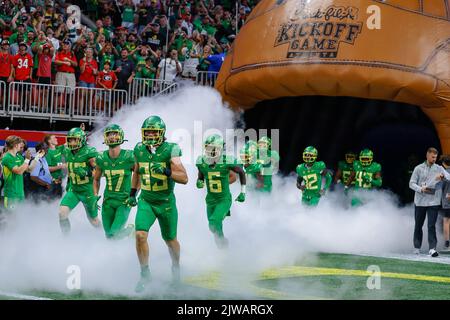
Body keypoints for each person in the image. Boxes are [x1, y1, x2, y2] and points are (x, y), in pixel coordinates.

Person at [126, 115, 188, 293]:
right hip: (146, 200)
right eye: (148, 131)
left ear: (162, 133)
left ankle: (176, 269)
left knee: (170, 240)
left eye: (154, 131)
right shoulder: (139, 148)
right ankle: (145, 273)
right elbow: (137, 172)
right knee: (140, 235)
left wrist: (167, 171)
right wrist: (132, 193)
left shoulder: (171, 149)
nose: (151, 134)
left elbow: (184, 178)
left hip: (166, 202)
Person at [196, 134, 246, 248]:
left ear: (220, 149)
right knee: (213, 227)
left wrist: (243, 192)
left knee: (214, 222)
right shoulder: (201, 161)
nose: (211, 151)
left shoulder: (226, 161)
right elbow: (201, 175)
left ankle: (224, 247)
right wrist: (199, 181)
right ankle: (223, 249)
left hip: (223, 199)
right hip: (210, 200)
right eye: (209, 148)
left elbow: (241, 172)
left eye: (214, 148)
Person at [93, 124, 135, 239]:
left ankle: (131, 230)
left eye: (115, 134)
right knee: (108, 236)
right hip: (108, 201)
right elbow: (96, 179)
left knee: (113, 234)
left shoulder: (130, 156)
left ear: (121, 136)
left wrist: (133, 194)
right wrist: (95, 195)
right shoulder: (101, 157)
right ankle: (117, 255)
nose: (112, 137)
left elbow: (138, 176)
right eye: (109, 134)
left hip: (124, 201)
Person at [58, 127, 100, 235]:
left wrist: (87, 173)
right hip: (74, 190)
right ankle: (66, 238)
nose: (72, 142)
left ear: (81, 140)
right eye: (70, 139)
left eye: (75, 139)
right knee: (62, 213)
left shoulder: (89, 152)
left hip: (87, 191)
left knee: (94, 221)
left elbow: (100, 173)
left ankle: (105, 236)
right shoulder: (67, 151)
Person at [409, 147, 449, 257]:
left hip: (434, 202)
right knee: (418, 225)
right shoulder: (418, 168)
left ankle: (432, 249)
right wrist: (420, 189)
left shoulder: (439, 168)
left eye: (435, 157)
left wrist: (443, 177)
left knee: (431, 226)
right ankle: (417, 247)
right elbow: (411, 183)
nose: (434, 159)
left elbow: (449, 178)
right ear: (427, 155)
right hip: (420, 201)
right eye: (432, 157)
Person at [1, 135, 38, 210]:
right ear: (15, 145)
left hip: (20, 193)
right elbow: (19, 171)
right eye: (19, 143)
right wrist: (27, 160)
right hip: (11, 194)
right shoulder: (7, 157)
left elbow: (29, 170)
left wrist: (37, 158)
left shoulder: (19, 157)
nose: (21, 145)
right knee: (11, 218)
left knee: (19, 218)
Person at [43, 134, 65, 198]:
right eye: (54, 138)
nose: (56, 139)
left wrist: (80, 130)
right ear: (49, 141)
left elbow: (71, 142)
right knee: (50, 202)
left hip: (60, 182)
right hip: (52, 183)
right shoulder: (48, 153)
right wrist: (61, 166)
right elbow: (47, 169)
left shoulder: (58, 149)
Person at [439, 155, 450, 251]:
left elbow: (439, 187)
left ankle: (447, 243)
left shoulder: (443, 173)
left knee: (446, 221)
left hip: (447, 201)